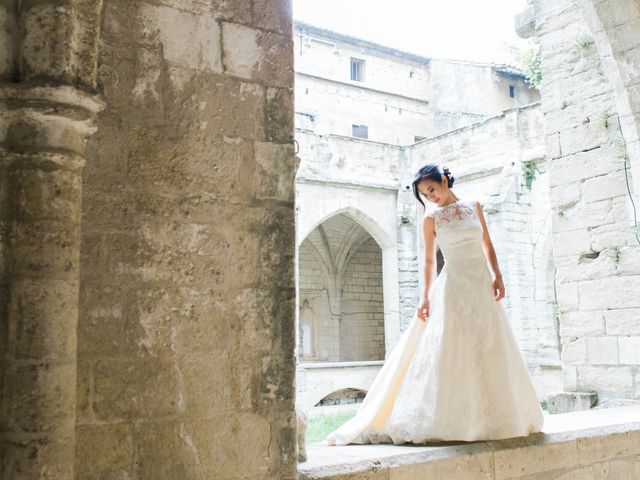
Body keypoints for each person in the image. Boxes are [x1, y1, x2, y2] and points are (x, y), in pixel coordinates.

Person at [325, 163, 544, 446]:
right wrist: (426, 295)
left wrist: (497, 275)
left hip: (480, 284)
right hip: (454, 285)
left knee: (490, 343)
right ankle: (455, 417)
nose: (431, 197)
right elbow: (429, 260)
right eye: (425, 195)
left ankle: (496, 415)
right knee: (454, 346)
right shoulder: (432, 220)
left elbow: (487, 245)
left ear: (443, 181)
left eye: (432, 190)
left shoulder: (474, 207)